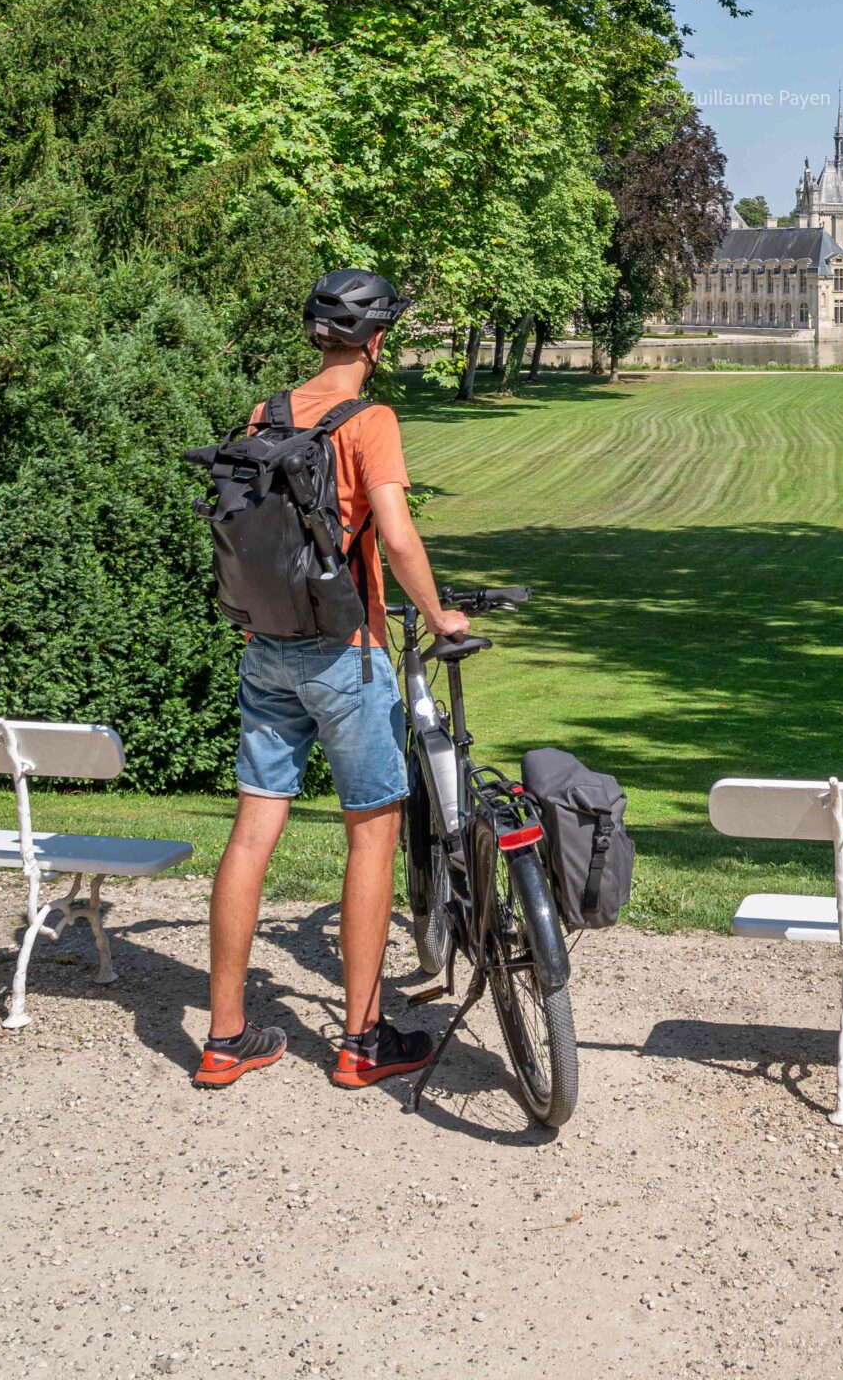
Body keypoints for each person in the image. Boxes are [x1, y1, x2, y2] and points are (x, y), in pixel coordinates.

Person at [194, 269, 472, 1091]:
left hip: (266, 645)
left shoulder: (265, 414)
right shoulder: (370, 420)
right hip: (346, 653)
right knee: (370, 835)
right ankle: (359, 1042)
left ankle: (224, 1038)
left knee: (251, 832)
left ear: (316, 335)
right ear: (377, 342)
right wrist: (440, 614)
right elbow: (395, 536)